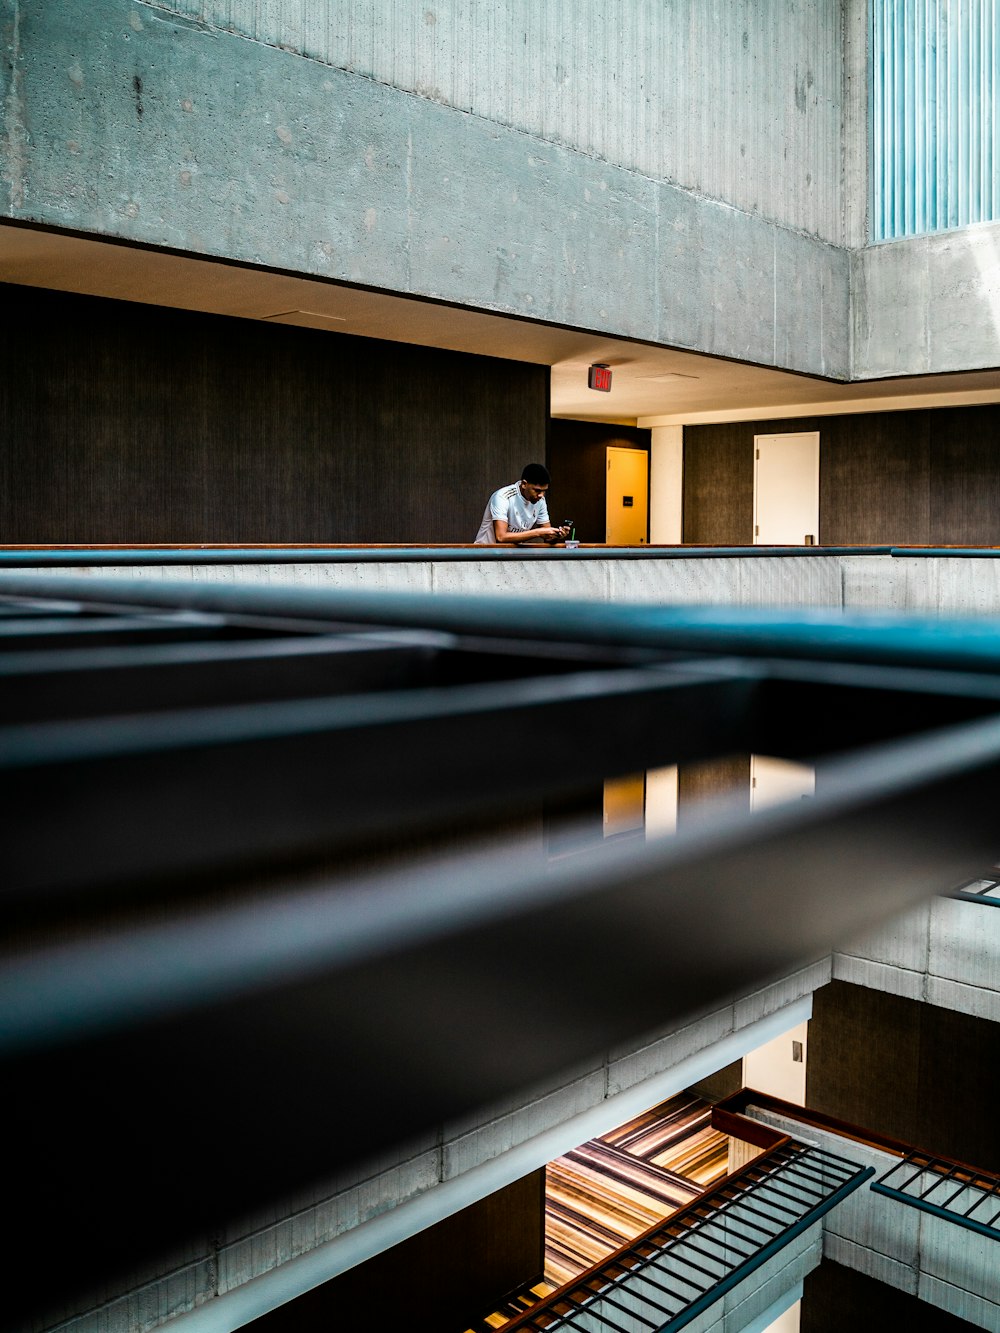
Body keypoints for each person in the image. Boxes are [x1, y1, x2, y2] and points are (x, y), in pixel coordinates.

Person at [474, 463, 570, 545]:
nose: (541, 495)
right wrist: (538, 532)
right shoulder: (503, 496)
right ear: (524, 484)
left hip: (511, 555)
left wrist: (557, 534)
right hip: (485, 553)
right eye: (537, 490)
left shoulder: (540, 500)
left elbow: (548, 538)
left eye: (544, 491)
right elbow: (501, 537)